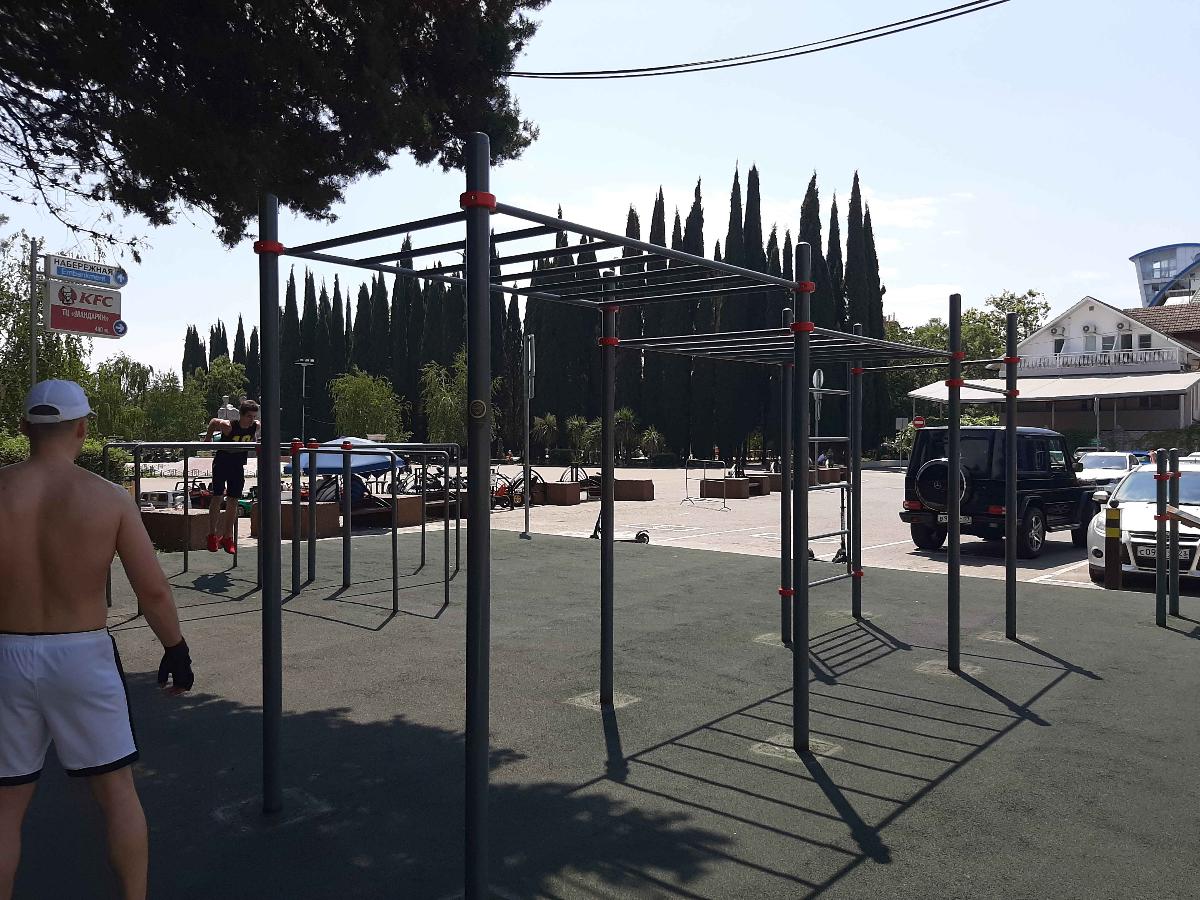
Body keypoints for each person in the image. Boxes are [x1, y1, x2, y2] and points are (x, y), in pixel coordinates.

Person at [0, 379, 193, 900]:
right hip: (81, 656)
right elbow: (152, 590)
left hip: (5, 654)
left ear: (24, 427)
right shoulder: (109, 498)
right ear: (83, 428)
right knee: (116, 792)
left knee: (5, 806)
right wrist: (175, 649)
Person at [203, 399, 260, 554]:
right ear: (241, 415)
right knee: (218, 496)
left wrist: (256, 442)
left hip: (237, 466)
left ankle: (227, 537)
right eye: (249, 416)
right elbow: (213, 421)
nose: (251, 420)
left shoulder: (255, 426)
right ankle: (212, 535)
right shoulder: (229, 426)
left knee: (233, 500)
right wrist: (207, 440)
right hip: (222, 464)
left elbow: (257, 433)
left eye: (254, 416)